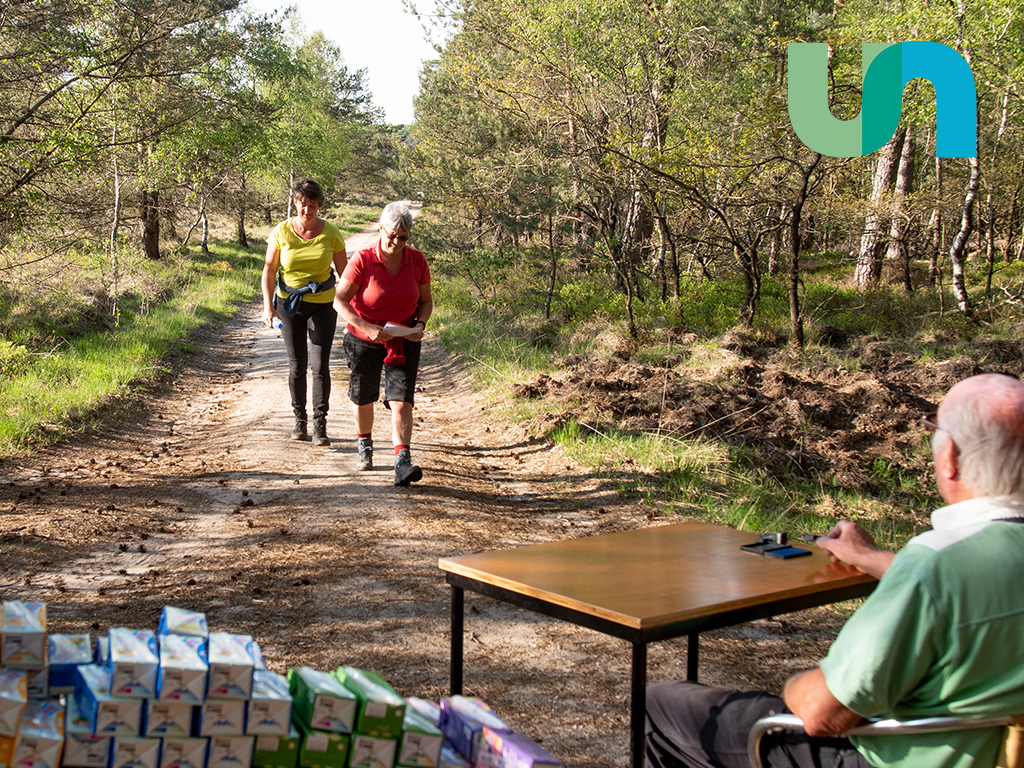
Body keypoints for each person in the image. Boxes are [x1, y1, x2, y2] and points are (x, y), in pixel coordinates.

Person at [646, 372, 1024, 768]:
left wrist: (796, 685)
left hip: (892, 757)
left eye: (935, 427)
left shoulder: (933, 567)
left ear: (951, 458)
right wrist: (870, 557)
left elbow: (823, 712)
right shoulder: (941, 569)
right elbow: (973, 584)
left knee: (662, 706)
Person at [334, 202, 432, 486]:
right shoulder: (363, 259)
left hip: (403, 339)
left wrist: (420, 325)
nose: (396, 242)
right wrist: (367, 327)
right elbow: (339, 301)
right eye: (392, 235)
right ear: (381, 229)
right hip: (363, 338)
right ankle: (364, 443)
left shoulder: (417, 261)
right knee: (364, 395)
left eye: (403, 237)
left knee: (401, 399)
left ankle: (402, 460)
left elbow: (426, 301)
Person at [261, 179, 347, 446]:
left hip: (323, 305)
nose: (307, 210)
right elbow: (269, 270)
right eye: (302, 204)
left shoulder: (331, 233)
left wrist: (354, 309)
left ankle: (320, 426)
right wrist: (268, 307)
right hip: (289, 305)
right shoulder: (281, 231)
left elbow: (345, 274)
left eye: (312, 205)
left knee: (320, 367)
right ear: (295, 203)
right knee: (297, 366)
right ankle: (300, 422)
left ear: (319, 205)